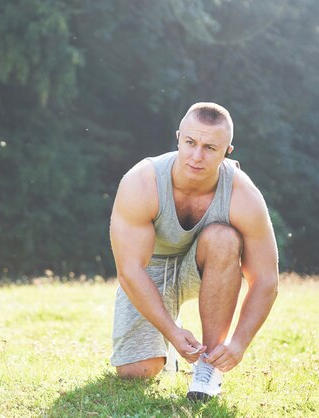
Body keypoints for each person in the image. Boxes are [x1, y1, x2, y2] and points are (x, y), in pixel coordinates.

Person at [109, 102, 279, 401]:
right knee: (137, 372)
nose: (197, 156)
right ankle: (167, 353)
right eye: (190, 143)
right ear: (178, 137)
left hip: (208, 264)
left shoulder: (244, 195)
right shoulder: (142, 182)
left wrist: (238, 344)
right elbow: (130, 271)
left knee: (224, 238)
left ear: (228, 150)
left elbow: (266, 280)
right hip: (152, 268)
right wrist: (173, 332)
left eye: (210, 148)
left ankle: (208, 366)